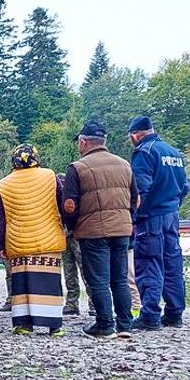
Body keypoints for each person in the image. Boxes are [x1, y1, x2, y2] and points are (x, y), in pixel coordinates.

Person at [62, 120, 139, 338]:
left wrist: (72, 227)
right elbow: (136, 199)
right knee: (120, 278)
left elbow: (70, 205)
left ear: (83, 142)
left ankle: (104, 325)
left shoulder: (77, 168)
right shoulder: (125, 164)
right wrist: (126, 219)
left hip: (93, 232)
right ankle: (125, 324)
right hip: (122, 229)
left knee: (98, 280)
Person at [0, 145, 66, 336]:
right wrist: (67, 226)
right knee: (49, 284)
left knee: (22, 284)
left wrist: (0, 244)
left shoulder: (4, 184)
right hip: (48, 239)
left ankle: (24, 325)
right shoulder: (50, 176)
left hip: (19, 242)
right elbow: (62, 203)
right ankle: (54, 326)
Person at [128, 116, 190, 329]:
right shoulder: (174, 153)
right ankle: (174, 314)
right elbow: (185, 187)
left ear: (135, 135)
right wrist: (173, 205)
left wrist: (134, 217)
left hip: (151, 217)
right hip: (172, 216)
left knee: (149, 263)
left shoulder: (144, 152)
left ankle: (150, 315)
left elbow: (140, 190)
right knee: (172, 264)